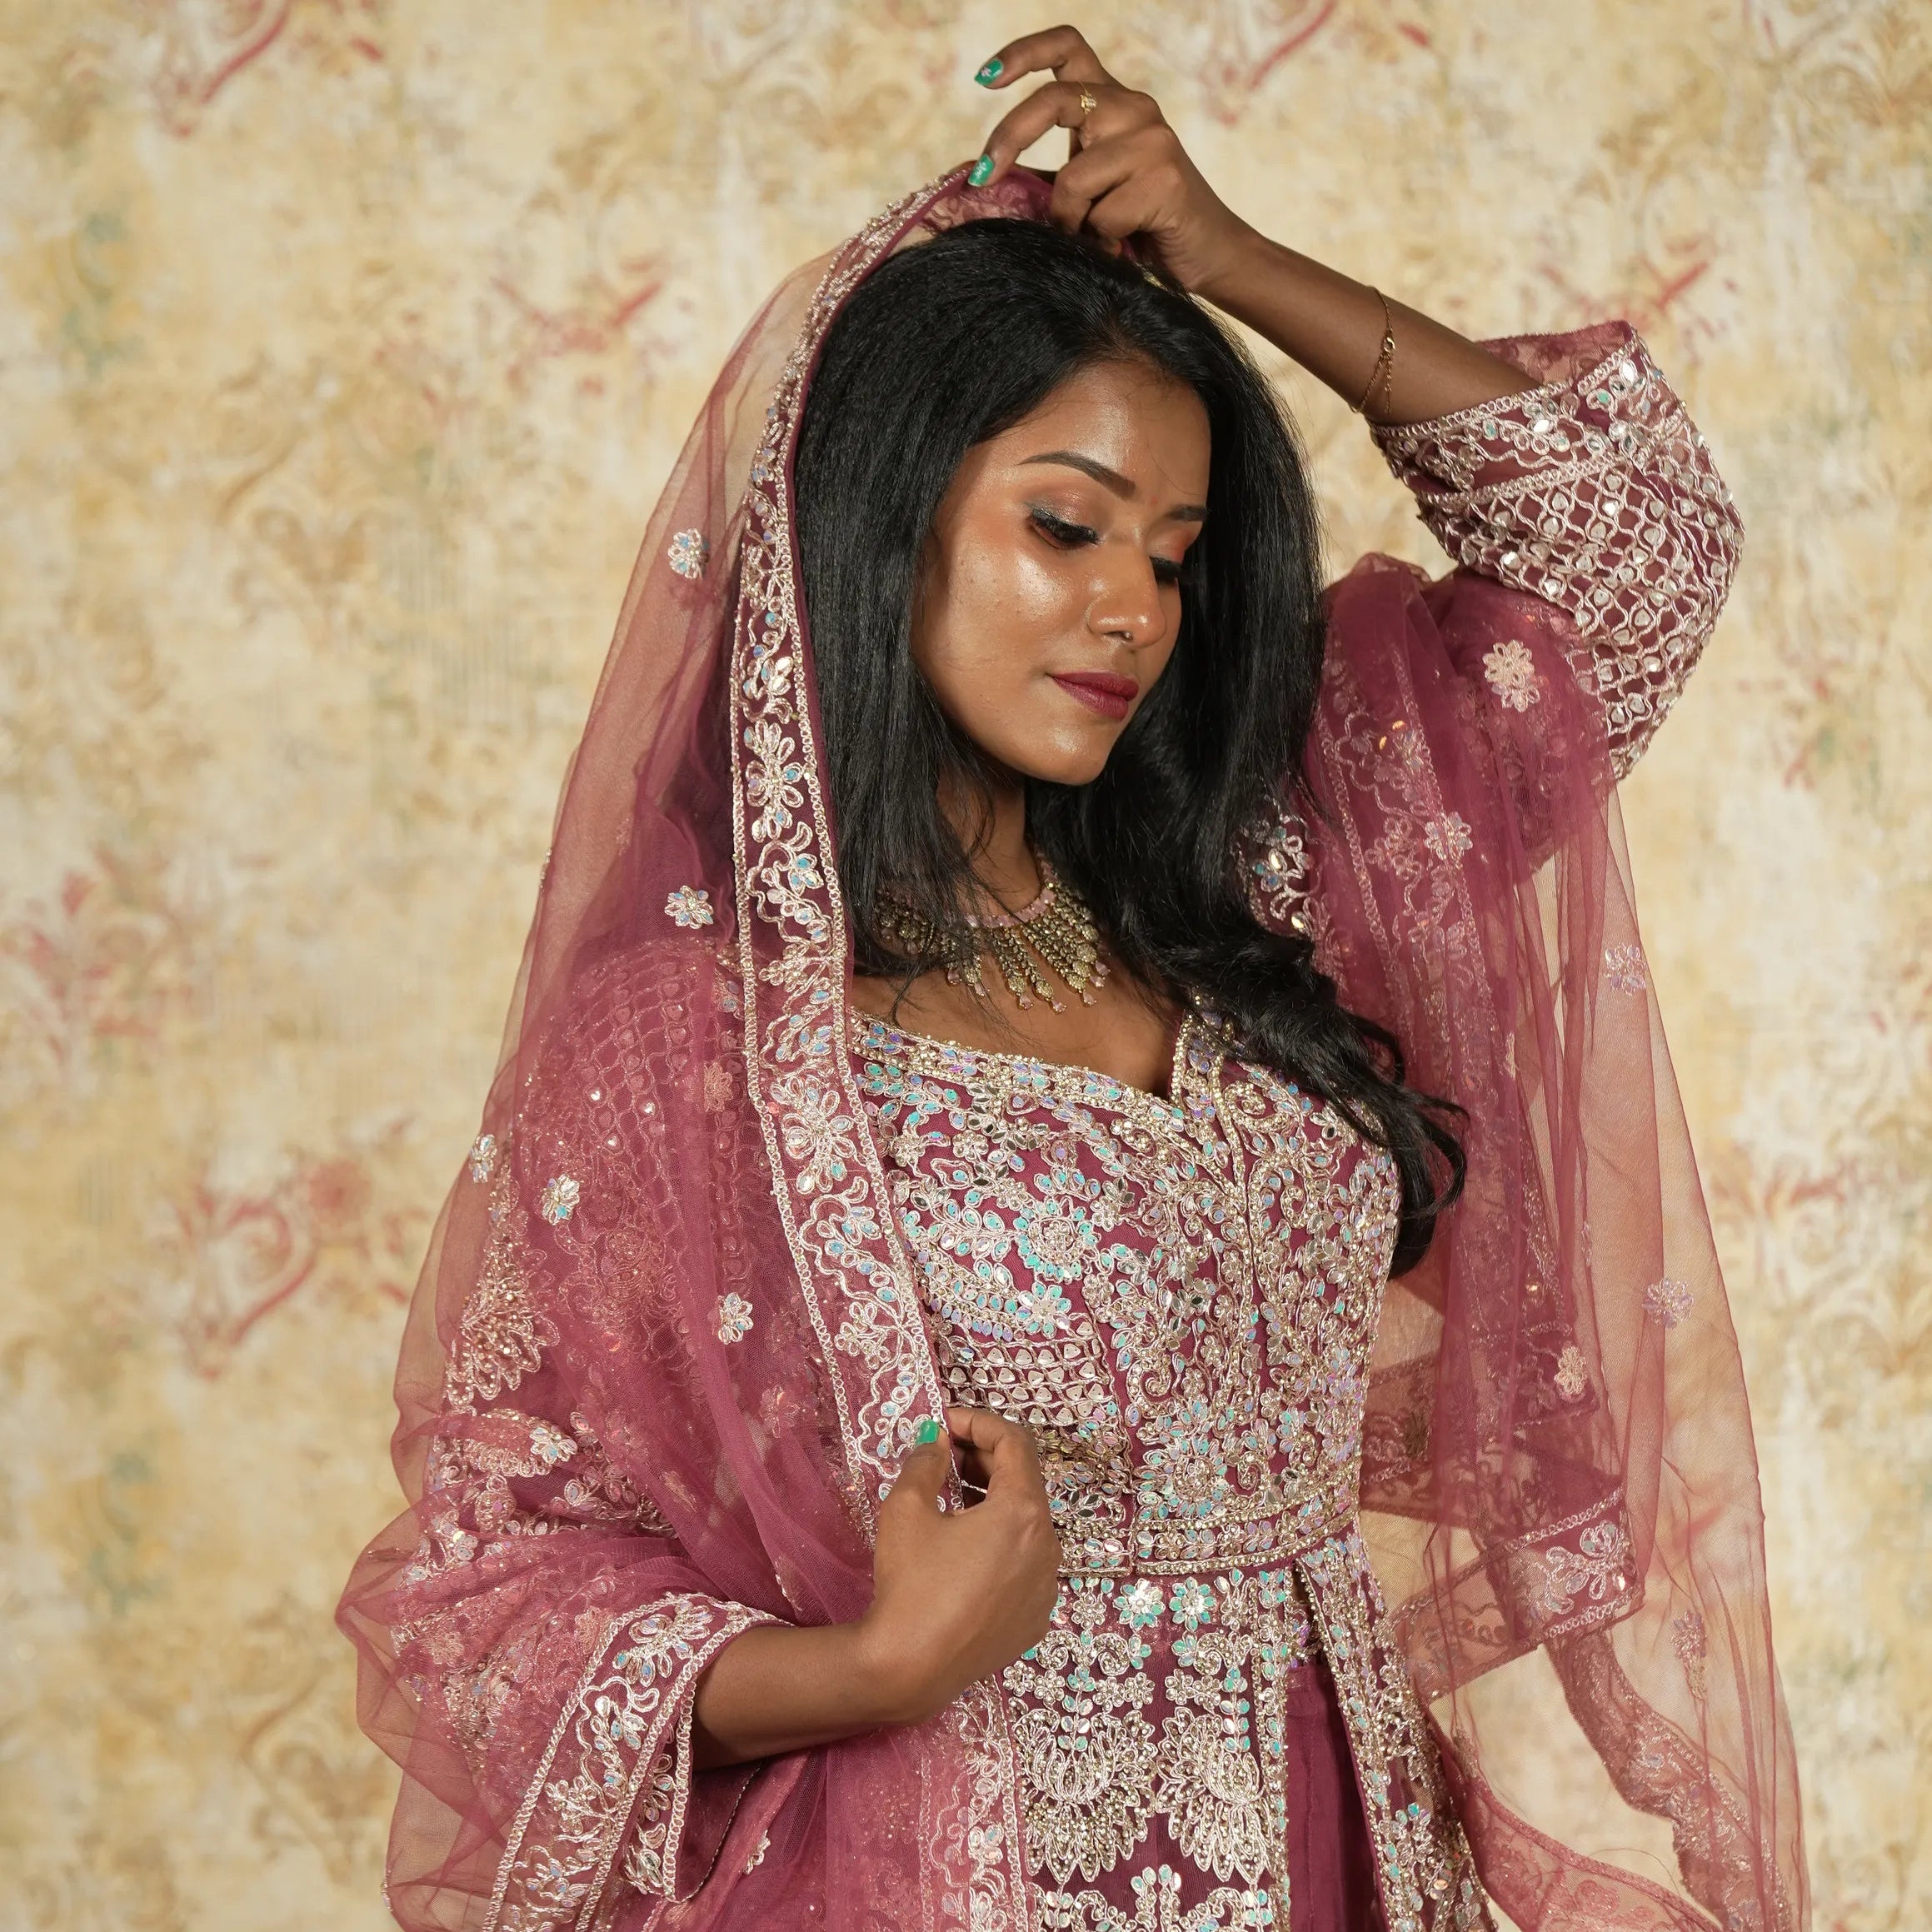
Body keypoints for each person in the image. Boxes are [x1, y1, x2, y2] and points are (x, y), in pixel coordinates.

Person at [340, 26, 1805, 1932]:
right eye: (1062, 524)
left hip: (1340, 1844)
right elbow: (485, 1580)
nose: (1130, 605)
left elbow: (1633, 542)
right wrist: (866, 1670)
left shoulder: (1265, 880)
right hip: (936, 1870)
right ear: (884, 522)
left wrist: (1226, 254)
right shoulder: (696, 1053)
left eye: (1176, 555)